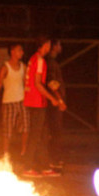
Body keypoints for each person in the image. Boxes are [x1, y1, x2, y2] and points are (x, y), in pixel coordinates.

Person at [23, 37, 66, 177]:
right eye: (48, 44)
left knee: (41, 134)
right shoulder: (41, 60)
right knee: (36, 135)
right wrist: (53, 99)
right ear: (44, 45)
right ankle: (28, 167)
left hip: (32, 101)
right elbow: (37, 83)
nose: (49, 47)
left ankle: (44, 166)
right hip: (37, 102)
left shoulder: (33, 59)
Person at [0, 43, 28, 165]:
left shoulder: (23, 66)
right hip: (8, 102)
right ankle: (6, 155)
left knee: (26, 127)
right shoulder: (5, 68)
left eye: (22, 50)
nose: (21, 52)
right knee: (7, 130)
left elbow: (26, 84)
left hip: (22, 101)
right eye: (19, 50)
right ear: (12, 52)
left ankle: (24, 152)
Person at [44, 39, 68, 175]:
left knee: (54, 132)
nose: (61, 47)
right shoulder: (50, 63)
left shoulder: (51, 62)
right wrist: (59, 99)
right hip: (54, 103)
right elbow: (52, 83)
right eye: (59, 44)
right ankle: (54, 160)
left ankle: (53, 159)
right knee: (55, 132)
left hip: (53, 102)